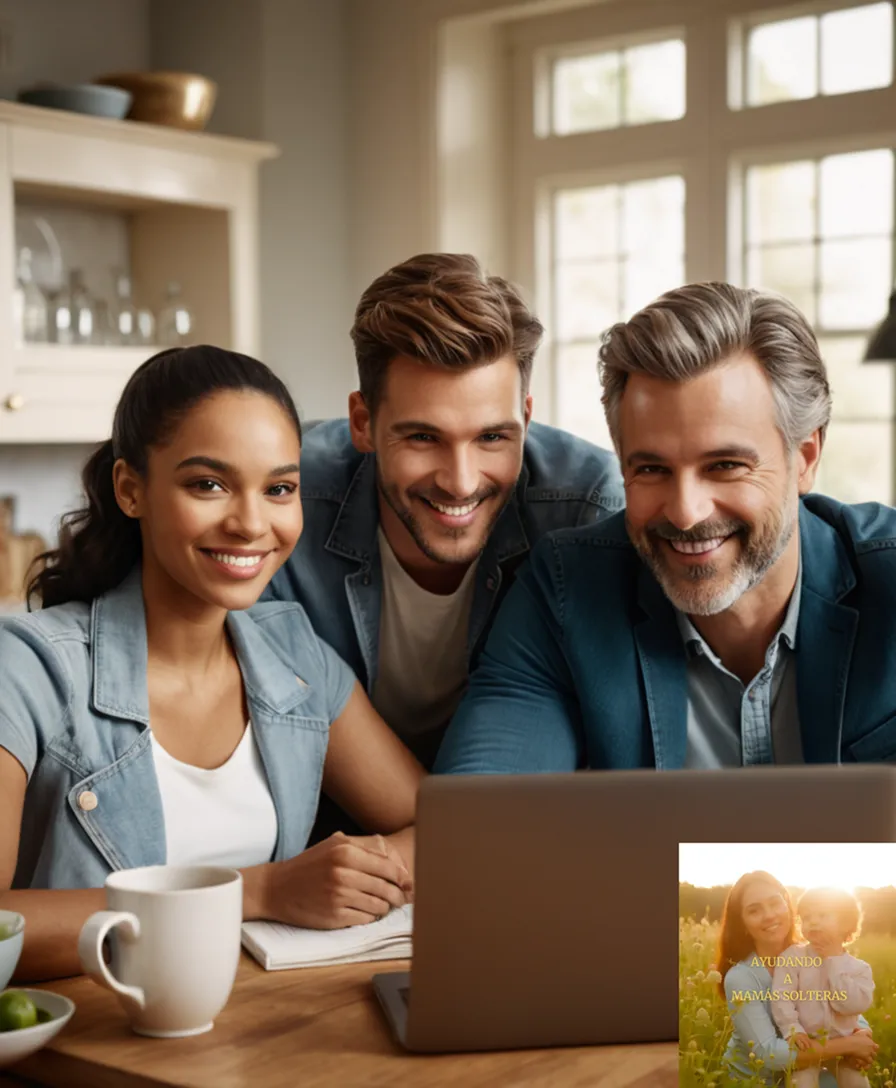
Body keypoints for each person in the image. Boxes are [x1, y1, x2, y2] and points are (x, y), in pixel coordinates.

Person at [0, 345, 423, 982]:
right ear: (130, 489)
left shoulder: (294, 655)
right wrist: (260, 893)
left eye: (279, 488)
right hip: (89, 1051)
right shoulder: (27, 668)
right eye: (209, 485)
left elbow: (446, 827)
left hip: (260, 1038)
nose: (252, 523)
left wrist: (355, 876)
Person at [435, 282, 896, 774]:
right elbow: (487, 812)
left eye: (724, 465)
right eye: (652, 470)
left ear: (804, 459)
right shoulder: (568, 590)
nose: (684, 513)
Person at [264, 253, 623, 774]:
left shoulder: (588, 508)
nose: (460, 480)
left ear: (525, 417)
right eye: (423, 437)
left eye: (493, 437)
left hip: (510, 821)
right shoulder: (285, 499)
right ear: (362, 422)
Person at [717, 872, 877, 1085]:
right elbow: (768, 1054)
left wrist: (862, 1032)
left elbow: (839, 1003)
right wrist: (849, 1045)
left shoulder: (814, 953)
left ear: (788, 906)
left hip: (809, 1065)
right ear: (743, 923)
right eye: (754, 910)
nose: (769, 915)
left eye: (775, 903)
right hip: (757, 1080)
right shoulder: (741, 978)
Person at [771, 887, 874, 1088]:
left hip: (844, 1049)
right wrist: (793, 1030)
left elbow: (851, 1006)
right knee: (801, 1083)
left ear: (846, 924)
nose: (813, 922)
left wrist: (833, 961)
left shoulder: (859, 969)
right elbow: (781, 997)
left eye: (822, 915)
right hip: (807, 1044)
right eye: (807, 917)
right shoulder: (792, 958)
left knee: (857, 1083)